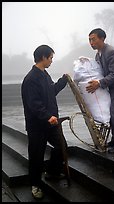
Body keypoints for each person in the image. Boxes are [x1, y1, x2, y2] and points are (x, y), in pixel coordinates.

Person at [21, 45, 68, 199]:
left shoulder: (44, 75)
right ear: (43, 57)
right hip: (38, 126)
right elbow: (34, 104)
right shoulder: (31, 79)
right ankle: (35, 185)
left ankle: (52, 172)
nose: (51, 61)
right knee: (36, 156)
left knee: (62, 147)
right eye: (51, 58)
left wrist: (63, 81)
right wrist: (48, 116)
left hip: (51, 123)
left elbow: (51, 91)